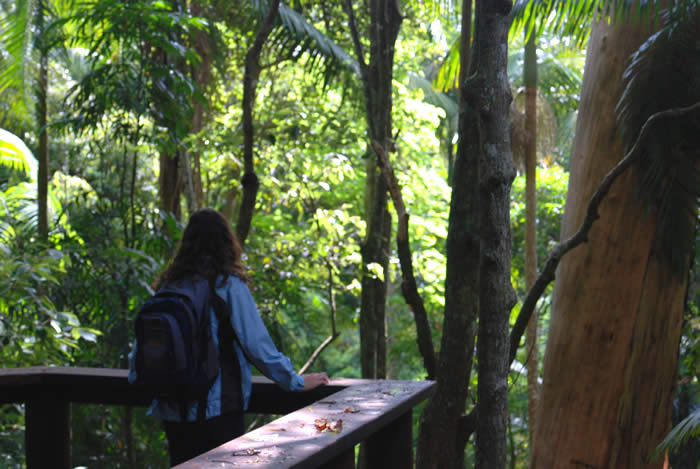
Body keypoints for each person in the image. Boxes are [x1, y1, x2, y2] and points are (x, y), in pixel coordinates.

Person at [129, 208, 329, 466]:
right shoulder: (227, 285)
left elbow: (142, 351)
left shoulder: (170, 286)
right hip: (218, 409)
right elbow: (257, 345)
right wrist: (295, 381)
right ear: (227, 243)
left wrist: (139, 381)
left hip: (172, 409)